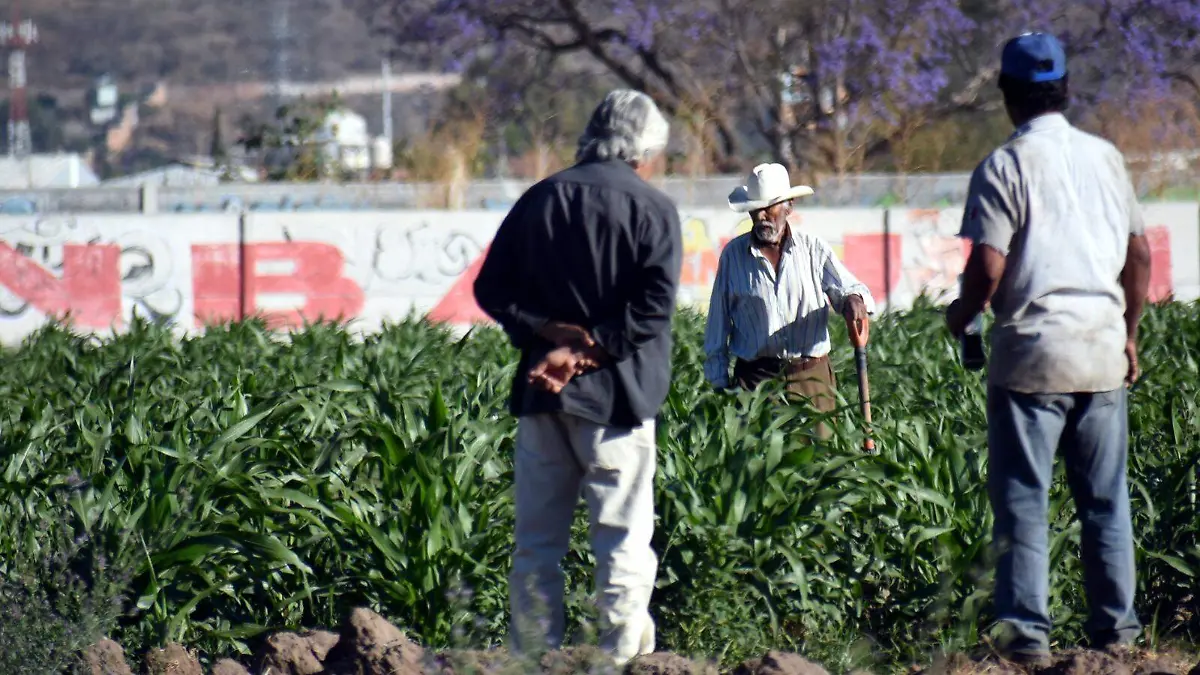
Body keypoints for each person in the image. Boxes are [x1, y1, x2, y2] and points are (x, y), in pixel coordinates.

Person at [945, 32, 1152, 664]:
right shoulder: (1105, 159)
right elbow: (1139, 255)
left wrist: (961, 315)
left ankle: (1027, 640)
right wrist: (1129, 331)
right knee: (1105, 504)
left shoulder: (1005, 166)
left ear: (1008, 95)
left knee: (1024, 503)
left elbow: (986, 265)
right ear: (1065, 89)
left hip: (1032, 354)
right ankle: (1116, 638)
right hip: (1099, 350)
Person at [472, 89, 683, 665]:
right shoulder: (653, 208)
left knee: (537, 543)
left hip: (543, 396)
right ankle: (617, 661)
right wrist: (589, 351)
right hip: (617, 399)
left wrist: (549, 335)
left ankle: (534, 656)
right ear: (645, 147)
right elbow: (652, 311)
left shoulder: (541, 197)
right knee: (620, 539)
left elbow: (490, 289)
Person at [703, 162, 874, 432]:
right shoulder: (733, 256)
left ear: (789, 206)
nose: (761, 217)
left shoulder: (812, 249)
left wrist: (854, 300)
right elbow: (718, 322)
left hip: (811, 379)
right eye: (755, 210)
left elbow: (848, 289)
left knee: (820, 464)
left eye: (768, 208)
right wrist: (718, 382)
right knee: (757, 468)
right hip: (755, 382)